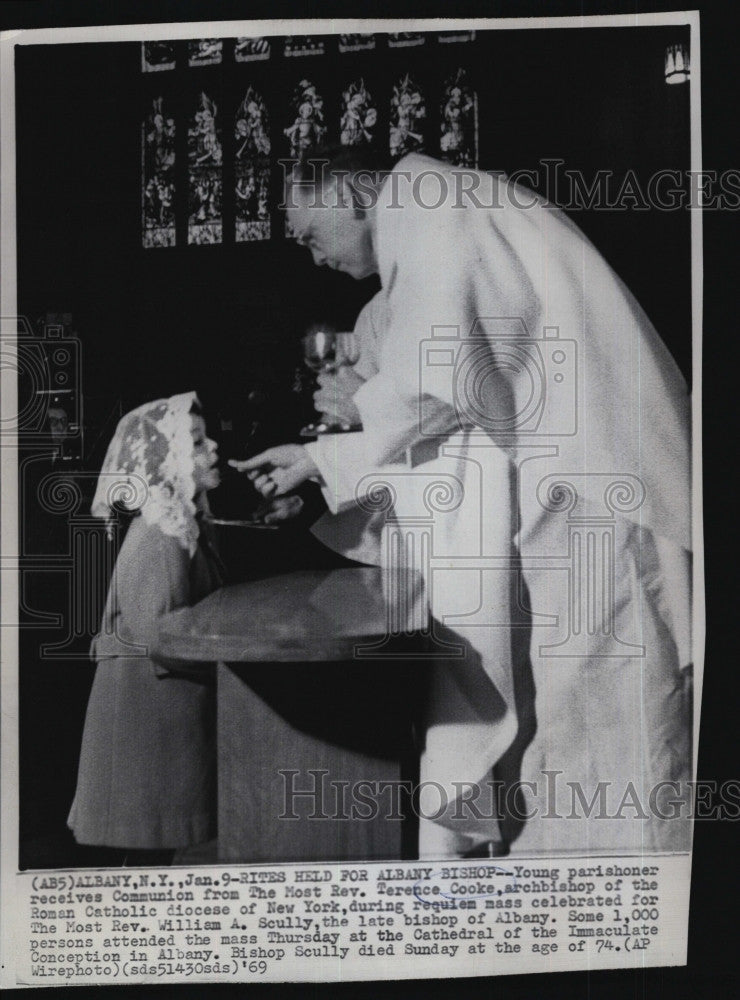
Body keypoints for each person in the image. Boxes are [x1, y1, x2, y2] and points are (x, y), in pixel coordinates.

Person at [233, 146, 693, 858]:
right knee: (581, 703)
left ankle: (630, 905)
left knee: (610, 699)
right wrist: (320, 455)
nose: (311, 254)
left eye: (306, 231)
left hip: (598, 478)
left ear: (351, 191)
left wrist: (352, 416)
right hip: (574, 472)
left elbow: (442, 373)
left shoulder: (432, 209)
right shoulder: (437, 209)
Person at [68, 391, 224, 863]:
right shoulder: (160, 534)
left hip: (163, 706)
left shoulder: (185, 523)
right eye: (197, 443)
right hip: (144, 714)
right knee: (143, 845)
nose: (213, 448)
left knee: (157, 844)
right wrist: (229, 663)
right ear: (170, 461)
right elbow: (160, 635)